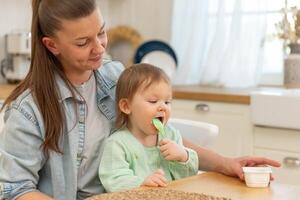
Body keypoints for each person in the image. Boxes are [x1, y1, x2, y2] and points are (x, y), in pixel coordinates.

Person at [0, 0, 280, 199]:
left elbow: (157, 134)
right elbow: (17, 189)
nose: (99, 48)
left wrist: (226, 164)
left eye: (101, 33)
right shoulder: (28, 110)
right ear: (52, 45)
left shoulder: (113, 76)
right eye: (83, 43)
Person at [99, 64, 199, 192]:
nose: (163, 107)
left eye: (167, 102)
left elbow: (187, 177)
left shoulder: (172, 135)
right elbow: (114, 179)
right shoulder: (117, 144)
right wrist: (141, 183)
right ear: (126, 106)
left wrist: (183, 157)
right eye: (153, 101)